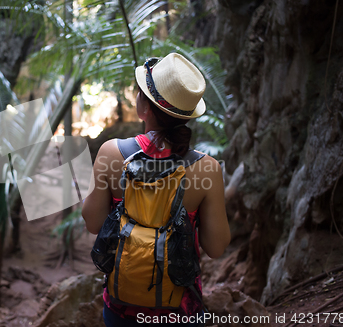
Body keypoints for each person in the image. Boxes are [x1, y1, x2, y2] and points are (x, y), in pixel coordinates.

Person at [82, 53, 231, 326]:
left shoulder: (111, 153)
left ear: (144, 107)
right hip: (180, 311)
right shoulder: (207, 168)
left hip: (121, 310)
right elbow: (217, 247)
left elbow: (93, 223)